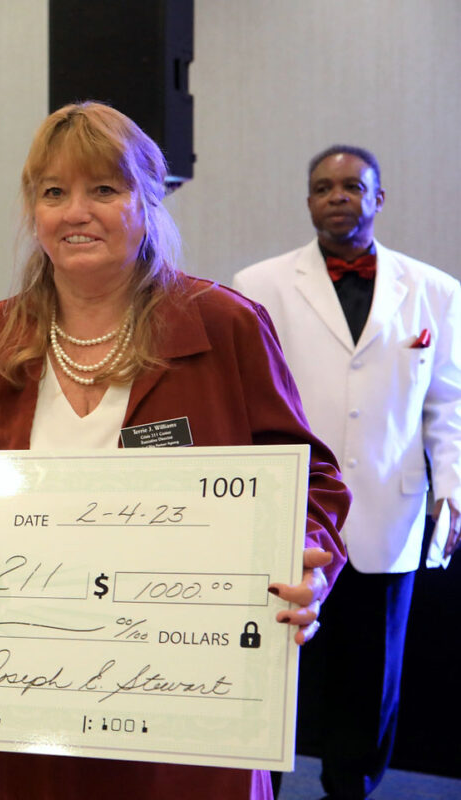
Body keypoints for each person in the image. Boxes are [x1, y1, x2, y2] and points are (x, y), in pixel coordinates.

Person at [0, 101, 350, 800]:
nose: (77, 212)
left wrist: (307, 565)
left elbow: (312, 483)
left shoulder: (224, 324)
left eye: (104, 189)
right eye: (54, 192)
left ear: (148, 198)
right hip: (39, 695)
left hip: (195, 698)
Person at [233, 145, 461, 799]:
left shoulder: (437, 292)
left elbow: (449, 404)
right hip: (291, 511)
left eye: (353, 186)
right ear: (308, 201)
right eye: (323, 186)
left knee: (372, 673)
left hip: (390, 511)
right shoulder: (258, 285)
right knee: (280, 665)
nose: (338, 195)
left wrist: (453, 489)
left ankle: (351, 787)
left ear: (379, 198)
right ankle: (263, 786)